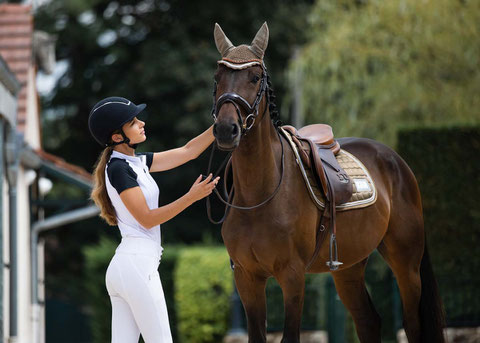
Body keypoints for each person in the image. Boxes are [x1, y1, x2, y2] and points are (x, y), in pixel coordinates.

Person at [88, 96, 219, 343]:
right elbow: (147, 219)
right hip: (137, 266)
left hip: (127, 267)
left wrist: (219, 124)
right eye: (133, 122)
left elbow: (188, 152)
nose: (141, 123)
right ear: (117, 137)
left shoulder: (136, 162)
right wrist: (192, 197)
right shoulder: (119, 169)